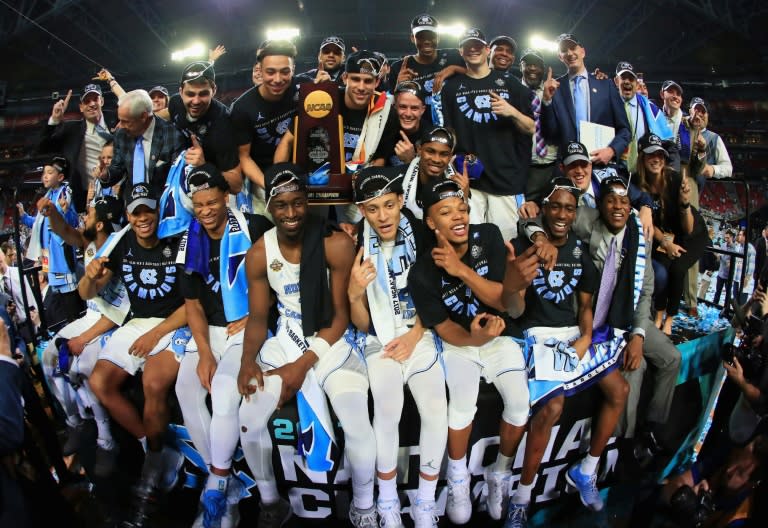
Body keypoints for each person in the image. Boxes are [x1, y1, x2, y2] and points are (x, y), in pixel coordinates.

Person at [237, 164, 376, 528]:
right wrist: (247, 360)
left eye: (297, 203)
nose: (291, 214)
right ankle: (270, 500)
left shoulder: (336, 244)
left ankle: (364, 506)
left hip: (331, 338)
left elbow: (341, 317)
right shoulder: (259, 253)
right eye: (281, 206)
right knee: (249, 420)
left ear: (308, 202)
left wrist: (302, 366)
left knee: (356, 420)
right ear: (269, 207)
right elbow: (256, 318)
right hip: (285, 338)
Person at [408, 179, 537, 525]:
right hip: (460, 344)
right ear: (431, 223)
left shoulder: (490, 236)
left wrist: (461, 270)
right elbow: (447, 329)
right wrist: (473, 341)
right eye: (446, 213)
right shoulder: (421, 271)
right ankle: (459, 480)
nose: (459, 217)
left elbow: (503, 302)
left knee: (519, 402)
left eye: (462, 209)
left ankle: (501, 474)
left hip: (499, 336)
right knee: (462, 405)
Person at [83, 184, 190, 525]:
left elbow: (193, 303)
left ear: (158, 213)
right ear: (128, 217)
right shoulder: (122, 243)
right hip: (137, 321)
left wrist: (156, 333)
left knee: (154, 386)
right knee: (99, 382)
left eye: (149, 211)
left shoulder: (177, 239)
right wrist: (88, 279)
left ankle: (151, 475)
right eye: (136, 212)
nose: (143, 218)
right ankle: (153, 450)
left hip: (174, 323)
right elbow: (89, 290)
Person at [174, 164, 272, 528]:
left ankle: (216, 487)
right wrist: (203, 352)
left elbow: (281, 275)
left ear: (226, 198)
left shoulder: (253, 226)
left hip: (246, 327)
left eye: (212, 202)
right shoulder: (189, 240)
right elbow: (193, 304)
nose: (206, 211)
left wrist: (259, 312)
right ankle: (224, 474)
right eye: (199, 205)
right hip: (209, 330)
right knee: (186, 388)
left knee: (223, 389)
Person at [348, 166, 447, 527]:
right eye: (372, 209)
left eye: (389, 205)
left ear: (401, 201)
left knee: (437, 409)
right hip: (378, 339)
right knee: (388, 407)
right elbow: (361, 322)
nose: (383, 216)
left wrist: (416, 332)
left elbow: (438, 297)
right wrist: (354, 292)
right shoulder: (355, 243)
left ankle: (424, 503)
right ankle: (387, 501)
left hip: (419, 333)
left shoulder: (421, 233)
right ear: (361, 210)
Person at [506, 177, 599, 527]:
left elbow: (586, 304)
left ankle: (587, 470)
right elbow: (511, 306)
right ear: (543, 209)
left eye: (569, 208)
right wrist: (519, 281)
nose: (562, 213)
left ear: (576, 213)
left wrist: (587, 335)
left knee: (618, 387)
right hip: (533, 335)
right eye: (555, 206)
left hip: (569, 335)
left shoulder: (580, 251)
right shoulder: (522, 243)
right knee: (553, 406)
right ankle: (522, 496)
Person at [572, 174, 681, 466]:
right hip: (595, 315)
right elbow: (554, 215)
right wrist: (535, 225)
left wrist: (638, 334)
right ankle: (617, 445)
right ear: (600, 204)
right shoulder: (586, 219)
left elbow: (645, 291)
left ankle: (652, 428)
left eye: (624, 201)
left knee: (671, 357)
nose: (618, 207)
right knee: (635, 365)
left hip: (630, 314)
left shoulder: (638, 234)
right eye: (611, 200)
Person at [37, 194, 127, 476]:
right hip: (91, 315)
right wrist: (51, 212)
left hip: (113, 321)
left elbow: (114, 311)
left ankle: (106, 439)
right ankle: (76, 422)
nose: (83, 218)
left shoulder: (117, 251)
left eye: (88, 215)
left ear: (100, 224)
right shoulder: (89, 244)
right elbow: (64, 230)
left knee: (84, 365)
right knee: (50, 357)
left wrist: (83, 338)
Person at [275, 50, 400, 227]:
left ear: (377, 82)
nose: (361, 87)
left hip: (357, 185)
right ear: (345, 78)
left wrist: (361, 187)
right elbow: (288, 141)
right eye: (356, 79)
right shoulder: (324, 99)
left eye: (368, 81)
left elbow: (379, 158)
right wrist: (279, 181)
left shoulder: (386, 112)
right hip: (319, 185)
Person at [434, 27, 534, 241]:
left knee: (506, 244)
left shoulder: (510, 83)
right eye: (468, 47)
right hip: (471, 181)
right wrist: (452, 165)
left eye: (478, 46)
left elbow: (531, 127)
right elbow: (450, 132)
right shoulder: (451, 88)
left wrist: (511, 111)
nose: (473, 50)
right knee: (473, 244)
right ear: (461, 52)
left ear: (487, 50)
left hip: (505, 179)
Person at [634, 134, 709, 334]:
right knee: (662, 267)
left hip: (692, 233)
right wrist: (666, 244)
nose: (656, 159)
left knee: (677, 270)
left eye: (660, 154)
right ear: (641, 157)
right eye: (651, 154)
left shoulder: (674, 178)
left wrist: (685, 203)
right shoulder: (636, 183)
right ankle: (658, 314)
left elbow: (688, 228)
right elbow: (651, 224)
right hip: (668, 235)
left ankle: (669, 319)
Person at [540, 34, 631, 167]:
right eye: (564, 50)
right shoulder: (555, 88)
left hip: (602, 164)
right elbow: (550, 135)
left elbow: (625, 130)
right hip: (569, 165)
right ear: (560, 57)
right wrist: (547, 100)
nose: (570, 53)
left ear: (582, 52)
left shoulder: (606, 85)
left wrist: (611, 150)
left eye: (573, 48)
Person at [230, 40, 300, 213]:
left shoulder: (303, 89)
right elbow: (244, 157)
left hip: (302, 173)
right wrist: (270, 186)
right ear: (259, 70)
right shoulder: (242, 108)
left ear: (293, 70)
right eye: (270, 72)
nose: (278, 79)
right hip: (263, 177)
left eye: (285, 72)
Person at [19, 156, 83, 326]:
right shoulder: (48, 195)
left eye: (49, 172)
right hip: (50, 256)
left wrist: (65, 211)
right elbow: (39, 223)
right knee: (61, 301)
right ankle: (68, 330)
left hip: (61, 253)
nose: (45, 176)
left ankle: (77, 329)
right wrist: (23, 217)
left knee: (70, 300)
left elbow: (72, 221)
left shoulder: (64, 193)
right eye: (44, 173)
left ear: (60, 177)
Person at [157, 61, 242, 192]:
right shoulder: (176, 102)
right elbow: (164, 114)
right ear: (181, 92)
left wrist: (204, 165)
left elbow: (236, 185)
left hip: (211, 183)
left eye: (203, 94)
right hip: (180, 171)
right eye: (190, 94)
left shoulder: (224, 124)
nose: (196, 101)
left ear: (213, 91)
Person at [39, 83, 114, 211]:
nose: (91, 104)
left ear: (101, 101)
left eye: (95, 99)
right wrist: (55, 120)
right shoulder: (71, 129)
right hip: (85, 196)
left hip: (116, 191)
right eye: (86, 101)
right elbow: (43, 148)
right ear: (81, 107)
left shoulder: (117, 120)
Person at [559, 140, 653, 240]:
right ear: (562, 168)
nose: (579, 171)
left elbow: (642, 196)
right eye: (572, 165)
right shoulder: (558, 193)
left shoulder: (609, 177)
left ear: (590, 166)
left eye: (583, 164)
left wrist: (646, 209)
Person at [100, 89, 184, 201]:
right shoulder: (121, 135)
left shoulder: (173, 135)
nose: (121, 126)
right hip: (132, 207)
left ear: (143, 116)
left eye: (126, 121)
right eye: (120, 120)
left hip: (162, 205)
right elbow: (117, 167)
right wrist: (106, 175)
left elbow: (177, 179)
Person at [388, 14, 464, 126]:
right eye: (421, 36)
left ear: (438, 37)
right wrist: (398, 87)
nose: (427, 41)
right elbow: (392, 107)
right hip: (418, 130)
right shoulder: (399, 68)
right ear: (413, 38)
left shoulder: (453, 56)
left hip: (453, 124)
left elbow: (476, 77)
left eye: (431, 36)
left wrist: (454, 69)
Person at [520, 48, 560, 203]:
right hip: (523, 167)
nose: (532, 68)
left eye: (536, 64)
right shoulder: (512, 90)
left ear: (543, 68)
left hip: (551, 167)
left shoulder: (556, 91)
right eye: (527, 64)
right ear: (521, 66)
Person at [390, 80, 427, 166]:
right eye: (403, 107)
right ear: (395, 107)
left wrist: (411, 161)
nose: (408, 114)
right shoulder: (385, 130)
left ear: (422, 110)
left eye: (414, 108)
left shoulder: (429, 136)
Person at [714, 230, 737, 306]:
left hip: (728, 275)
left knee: (728, 294)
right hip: (721, 273)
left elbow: (736, 261)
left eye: (728, 238)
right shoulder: (723, 245)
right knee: (718, 292)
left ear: (732, 238)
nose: (726, 239)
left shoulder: (735, 248)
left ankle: (726, 308)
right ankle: (714, 305)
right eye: (725, 238)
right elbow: (719, 256)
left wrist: (731, 263)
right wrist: (718, 256)